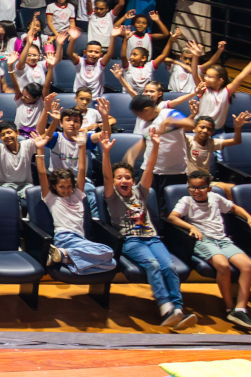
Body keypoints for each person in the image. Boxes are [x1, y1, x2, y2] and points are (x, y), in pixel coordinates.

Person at [99, 129, 193, 329]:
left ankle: (178, 309)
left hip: (153, 238)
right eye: (119, 178)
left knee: (169, 266)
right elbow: (106, 177)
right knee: (153, 264)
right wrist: (105, 153)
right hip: (130, 240)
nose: (123, 181)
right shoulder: (112, 195)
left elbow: (149, 169)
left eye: (127, 177)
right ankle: (165, 307)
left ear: (132, 180)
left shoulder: (139, 191)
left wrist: (156, 145)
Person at [169, 170, 251, 329]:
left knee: (247, 266)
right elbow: (173, 217)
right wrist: (191, 226)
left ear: (209, 188)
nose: (196, 191)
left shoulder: (216, 198)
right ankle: (229, 308)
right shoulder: (186, 201)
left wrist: (248, 217)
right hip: (203, 240)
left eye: (200, 187)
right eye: (192, 187)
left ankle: (240, 308)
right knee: (223, 266)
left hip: (223, 240)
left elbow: (234, 208)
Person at [36, 128, 115, 275]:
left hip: (79, 238)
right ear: (54, 186)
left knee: (112, 263)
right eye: (62, 187)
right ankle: (64, 254)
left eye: (69, 186)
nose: (66, 190)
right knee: (108, 252)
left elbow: (82, 169)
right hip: (64, 237)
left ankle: (64, 257)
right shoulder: (51, 197)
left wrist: (81, 145)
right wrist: (40, 149)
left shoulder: (78, 195)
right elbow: (41, 173)